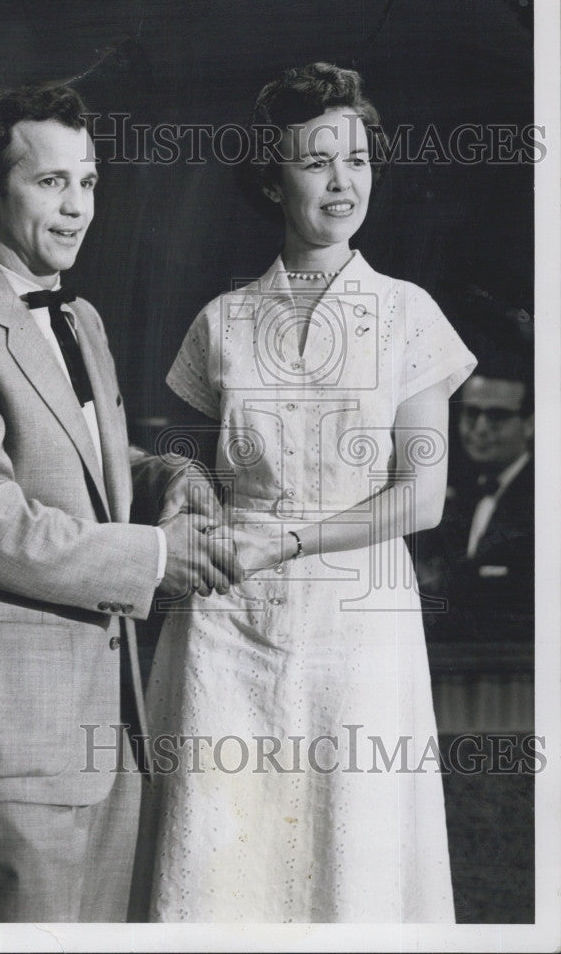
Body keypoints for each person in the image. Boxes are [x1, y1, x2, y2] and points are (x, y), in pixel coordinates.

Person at [0, 81, 240, 923]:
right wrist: (155, 557)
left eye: (87, 182)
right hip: (11, 737)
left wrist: (167, 477)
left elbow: (89, 464)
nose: (77, 207)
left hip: (105, 727)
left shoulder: (81, 321)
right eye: (51, 183)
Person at [139, 63, 477, 922]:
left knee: (349, 862)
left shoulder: (407, 314)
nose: (342, 181)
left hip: (358, 627)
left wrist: (284, 541)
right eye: (316, 161)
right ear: (269, 178)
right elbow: (177, 460)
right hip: (226, 625)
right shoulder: (221, 321)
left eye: (357, 159)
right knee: (220, 866)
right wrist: (188, 489)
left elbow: (423, 497)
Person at [417, 362, 534, 641]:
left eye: (497, 416)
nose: (480, 428)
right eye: (472, 413)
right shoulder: (460, 497)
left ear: (529, 425)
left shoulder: (545, 501)